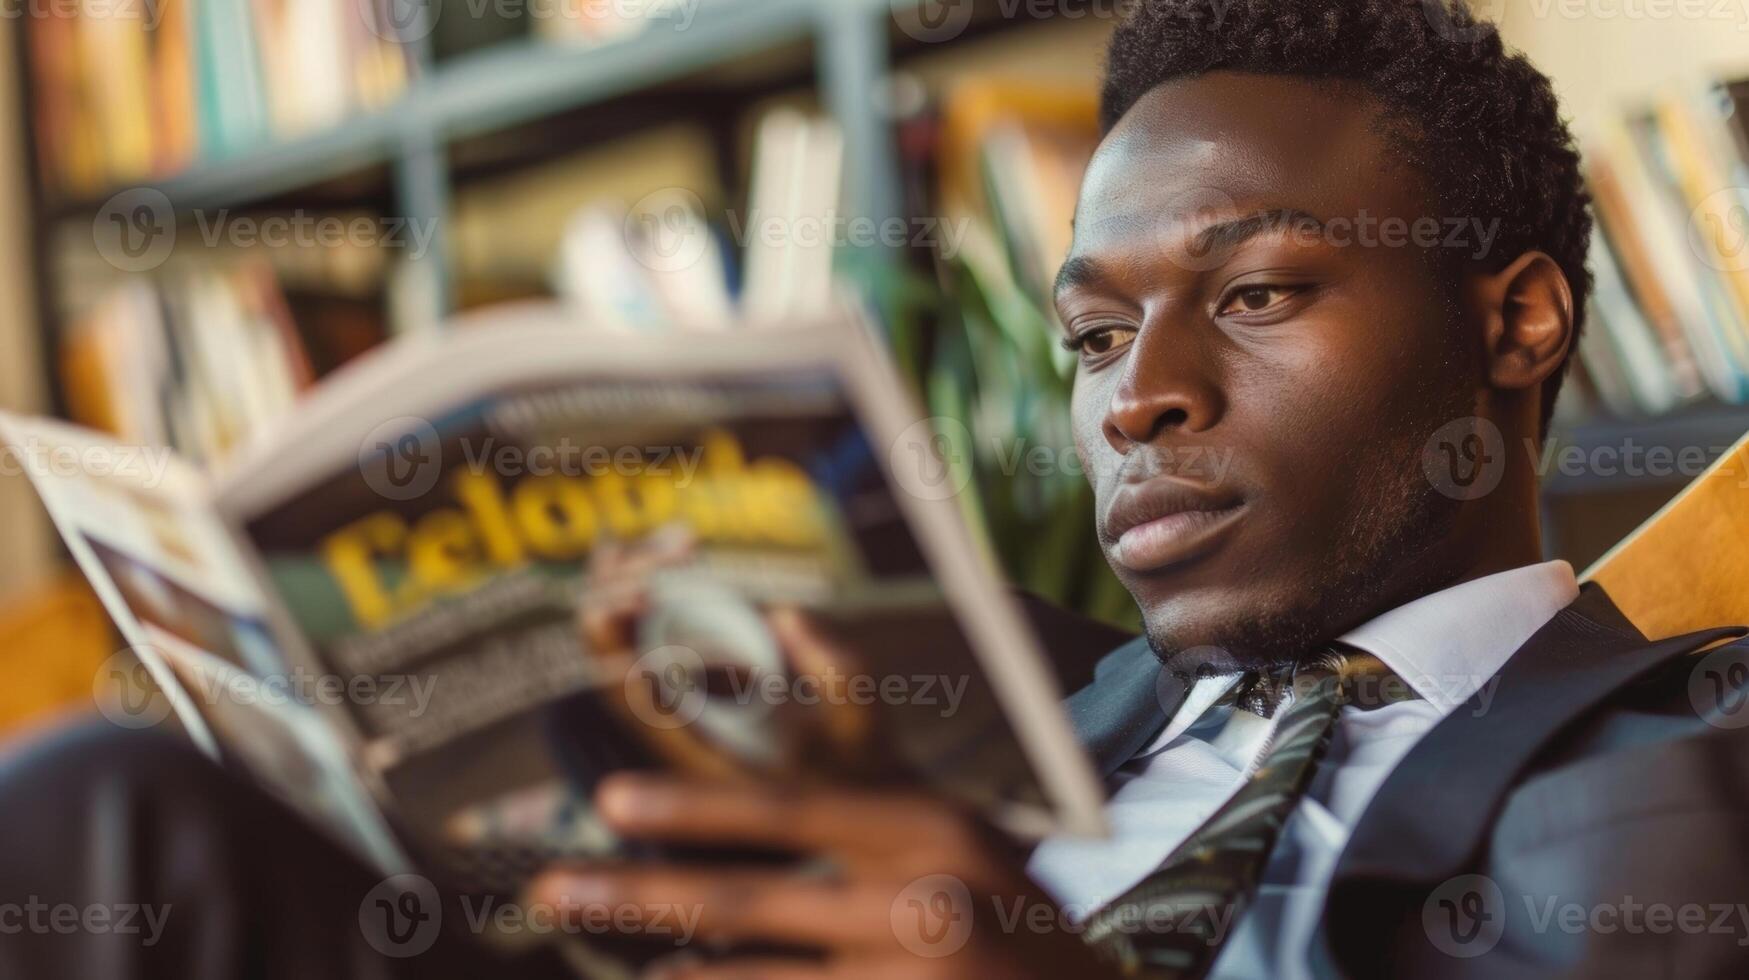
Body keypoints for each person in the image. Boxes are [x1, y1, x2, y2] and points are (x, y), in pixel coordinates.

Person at [5, 1, 1749, 977]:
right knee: (108, 812)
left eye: (1257, 294)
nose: (1138, 400)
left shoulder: (1688, 764)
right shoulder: (959, 672)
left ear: (1514, 321)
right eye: (1087, 336)